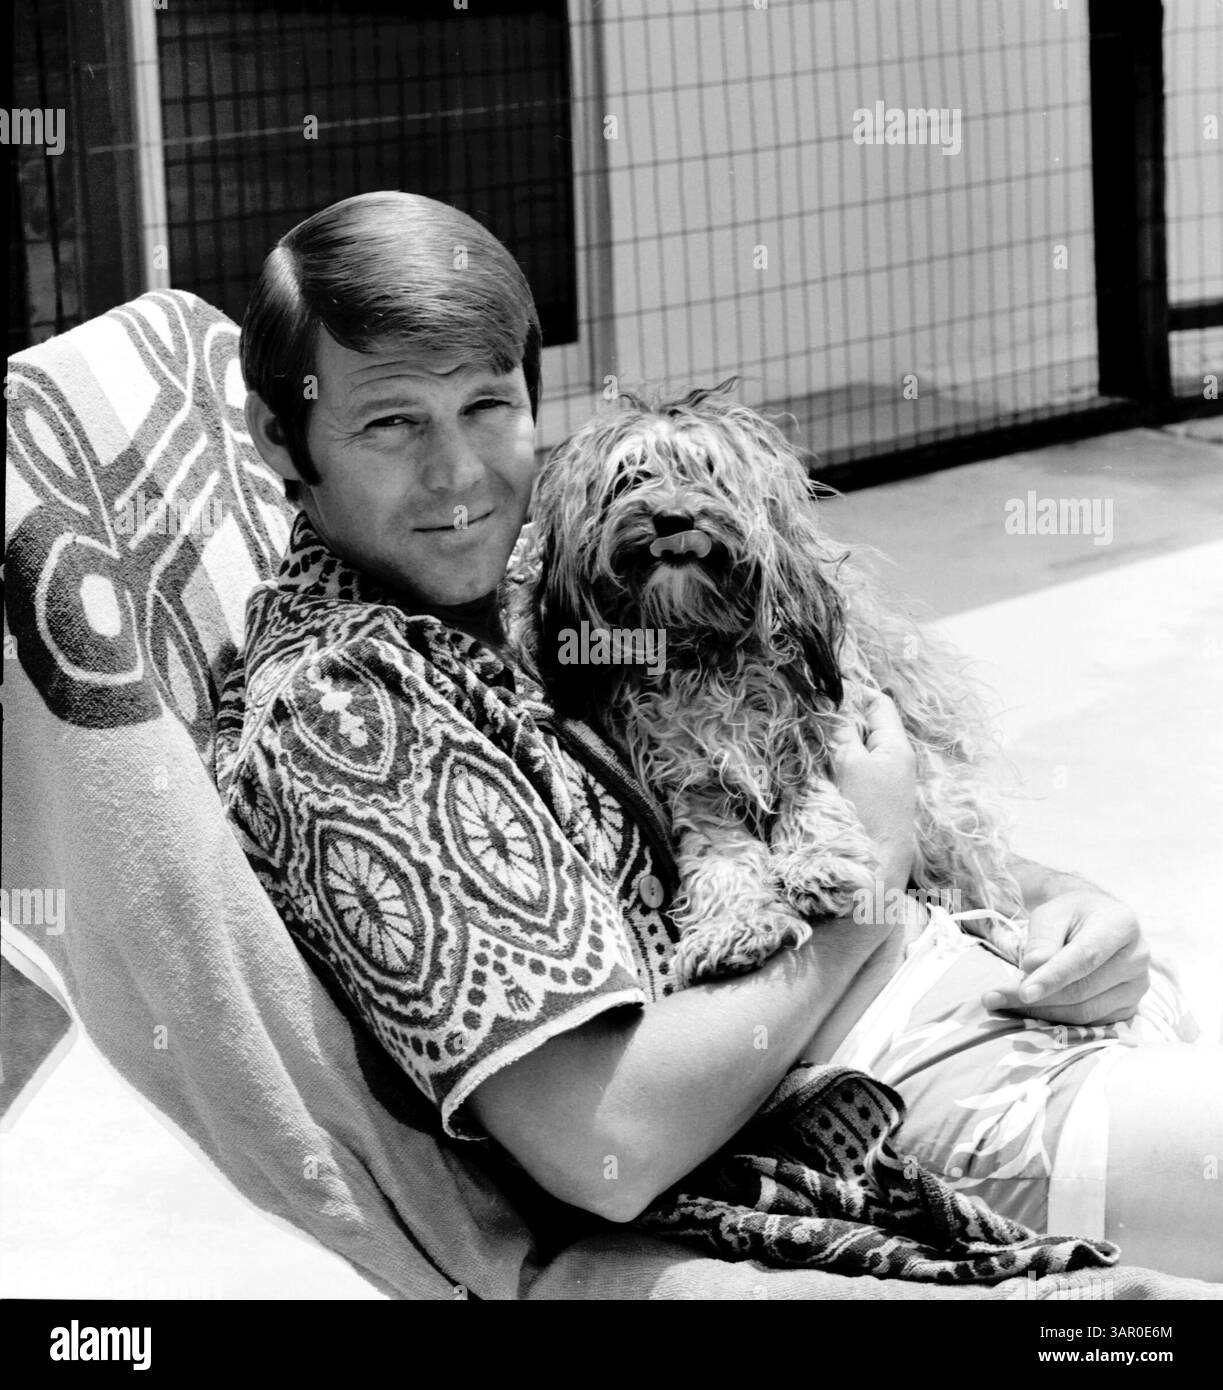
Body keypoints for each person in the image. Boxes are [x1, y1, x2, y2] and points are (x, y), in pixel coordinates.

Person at [219, 190, 1221, 1282]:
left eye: (486, 404)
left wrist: (1056, 900)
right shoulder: (352, 716)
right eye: (390, 422)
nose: (457, 474)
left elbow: (825, 754)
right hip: (887, 1097)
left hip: (982, 982)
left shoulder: (537, 569)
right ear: (279, 435)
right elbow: (605, 1145)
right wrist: (868, 881)